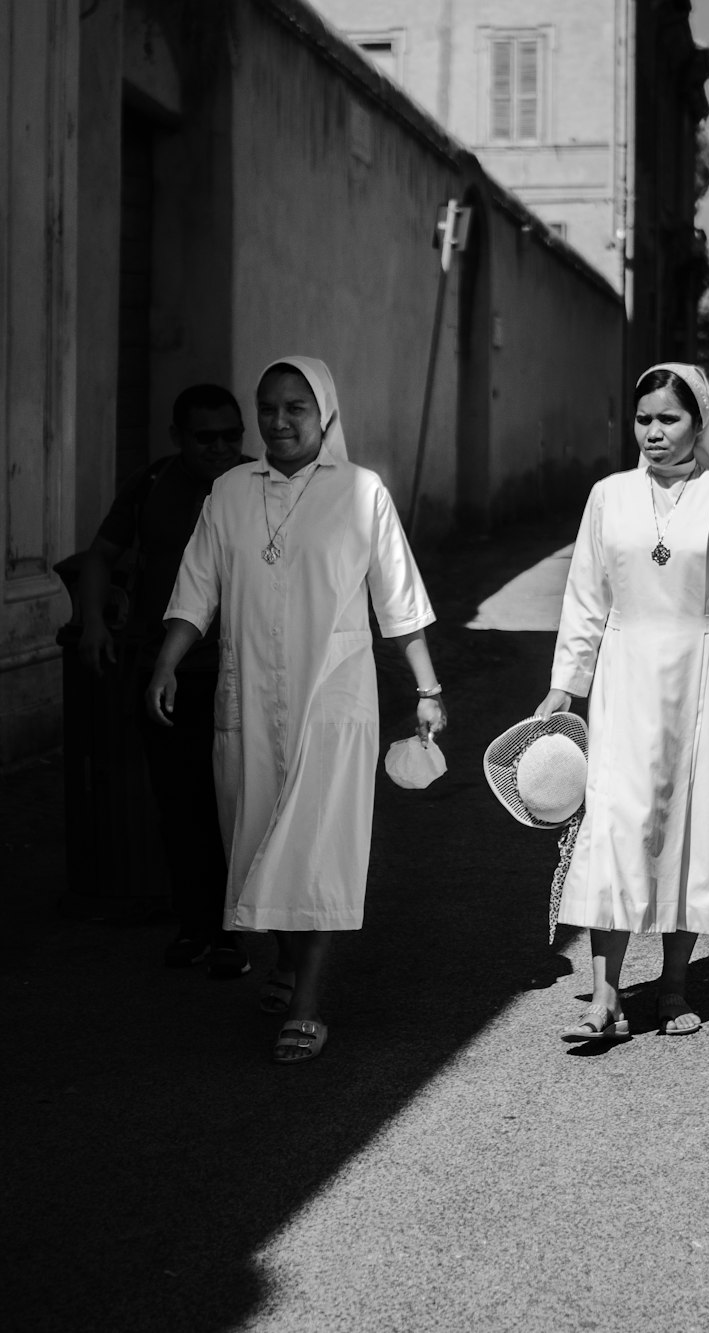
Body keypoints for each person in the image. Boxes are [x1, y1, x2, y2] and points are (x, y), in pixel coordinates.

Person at [146, 356, 446, 1065]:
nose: (279, 422)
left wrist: (428, 689)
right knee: (252, 842)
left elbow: (398, 601)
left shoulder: (362, 492)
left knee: (318, 850)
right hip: (245, 693)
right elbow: (198, 585)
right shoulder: (228, 491)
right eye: (269, 408)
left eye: (296, 409)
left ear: (325, 416)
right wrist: (166, 658)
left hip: (333, 700)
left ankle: (308, 1003)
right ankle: (285, 959)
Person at [534, 362, 709, 1040]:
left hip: (700, 668)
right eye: (644, 419)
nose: (654, 432)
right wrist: (564, 683)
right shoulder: (608, 495)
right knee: (613, 824)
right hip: (624, 674)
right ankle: (606, 996)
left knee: (688, 826)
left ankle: (672, 987)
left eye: (669, 418)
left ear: (700, 423)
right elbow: (585, 595)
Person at [78, 384, 251, 976]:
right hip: (170, 673)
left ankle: (238, 931)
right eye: (207, 437)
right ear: (178, 438)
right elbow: (101, 554)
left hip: (244, 676)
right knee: (181, 805)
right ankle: (195, 925)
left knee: (241, 805)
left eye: (233, 435)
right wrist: (93, 621)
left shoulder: (259, 483)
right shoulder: (153, 485)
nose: (223, 447)